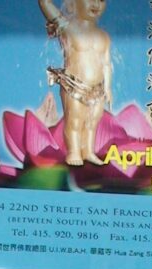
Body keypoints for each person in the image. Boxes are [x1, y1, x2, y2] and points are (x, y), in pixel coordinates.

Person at [38, 0, 112, 165]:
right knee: (74, 121)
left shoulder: (104, 36)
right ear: (72, 4)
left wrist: (107, 87)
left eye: (101, 0)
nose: (96, 4)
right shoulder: (67, 27)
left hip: (97, 89)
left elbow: (106, 64)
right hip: (74, 85)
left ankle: (89, 151)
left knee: (92, 122)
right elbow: (46, 5)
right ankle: (74, 152)